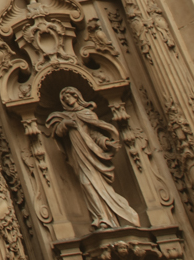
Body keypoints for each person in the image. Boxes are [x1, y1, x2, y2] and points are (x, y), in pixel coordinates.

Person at [45, 87, 141, 230]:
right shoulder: (64, 117)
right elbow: (58, 132)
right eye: (64, 98)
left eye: (68, 96)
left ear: (76, 96)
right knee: (86, 184)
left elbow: (95, 134)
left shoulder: (86, 113)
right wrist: (65, 124)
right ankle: (100, 218)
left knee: (98, 185)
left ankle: (107, 219)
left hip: (92, 155)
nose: (66, 99)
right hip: (78, 156)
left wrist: (107, 142)